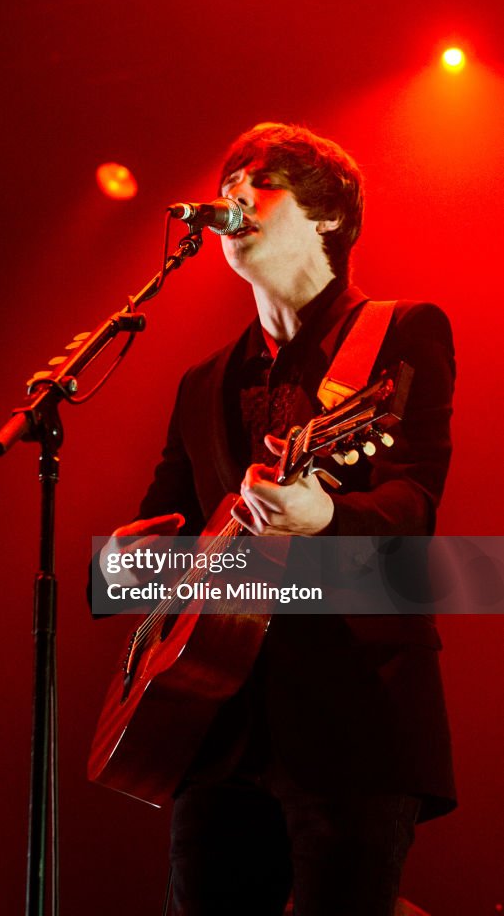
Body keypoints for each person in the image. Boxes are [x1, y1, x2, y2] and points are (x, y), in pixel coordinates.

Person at [95, 122, 456, 915]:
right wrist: (124, 568)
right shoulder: (201, 381)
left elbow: (410, 504)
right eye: (223, 193)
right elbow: (163, 529)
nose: (229, 206)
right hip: (212, 724)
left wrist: (323, 515)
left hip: (350, 710)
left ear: (326, 215)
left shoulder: (401, 333)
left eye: (254, 188)